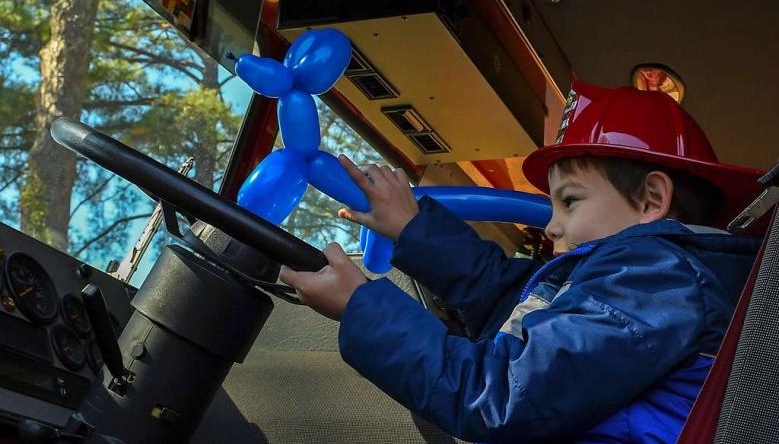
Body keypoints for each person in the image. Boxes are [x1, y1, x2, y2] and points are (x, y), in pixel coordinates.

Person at [279, 81, 763, 443]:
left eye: (570, 202)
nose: (551, 226)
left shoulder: (660, 280)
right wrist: (412, 228)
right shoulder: (650, 285)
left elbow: (503, 393)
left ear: (652, 199)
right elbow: (510, 299)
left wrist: (361, 307)